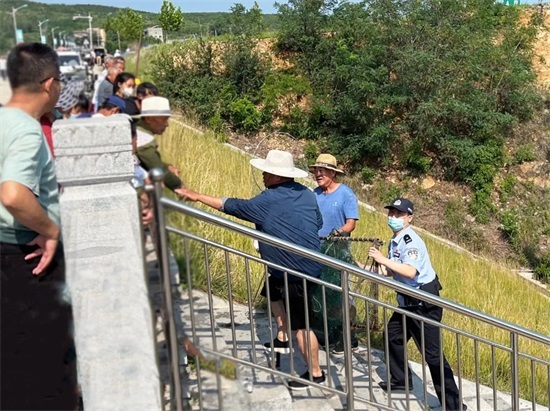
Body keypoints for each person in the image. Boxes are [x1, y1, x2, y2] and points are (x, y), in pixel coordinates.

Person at [179, 150, 326, 390]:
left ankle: (315, 374)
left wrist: (195, 196)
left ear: (277, 176)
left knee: (303, 325)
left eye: (267, 172)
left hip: (295, 272)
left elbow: (231, 206)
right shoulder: (306, 194)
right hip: (302, 267)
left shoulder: (267, 200)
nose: (264, 175)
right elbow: (317, 223)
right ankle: (283, 336)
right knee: (272, 291)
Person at [0, 42, 78, 410]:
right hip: (23, 259)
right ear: (49, 85)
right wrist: (51, 230)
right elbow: (13, 195)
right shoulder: (28, 131)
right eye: (60, 81)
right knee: (43, 366)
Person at [368, 198, 466, 411]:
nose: (393, 218)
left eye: (398, 214)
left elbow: (410, 271)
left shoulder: (411, 241)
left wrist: (382, 259)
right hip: (408, 301)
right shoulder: (396, 240)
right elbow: (392, 271)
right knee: (393, 336)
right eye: (391, 214)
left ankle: (454, 405)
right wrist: (368, 266)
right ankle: (401, 381)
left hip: (423, 302)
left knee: (433, 355)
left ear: (409, 218)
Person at [309, 153, 360, 355]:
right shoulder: (315, 194)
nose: (318, 175)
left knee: (342, 297)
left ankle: (348, 337)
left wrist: (337, 233)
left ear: (333, 173)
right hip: (317, 249)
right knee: (321, 295)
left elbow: (351, 223)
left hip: (337, 251)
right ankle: (327, 334)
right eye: (316, 171)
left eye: (322, 171)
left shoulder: (345, 194)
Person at [135, 96, 185, 197]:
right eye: (164, 119)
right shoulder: (144, 141)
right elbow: (158, 169)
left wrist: (167, 166)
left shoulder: (137, 130)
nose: (166, 124)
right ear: (149, 119)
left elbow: (151, 162)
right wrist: (179, 186)